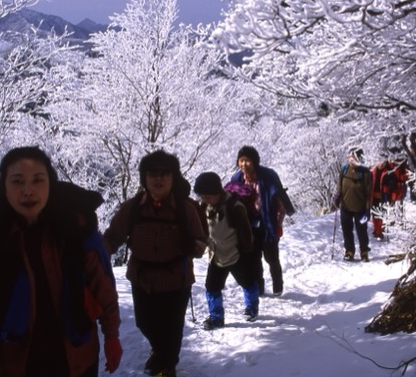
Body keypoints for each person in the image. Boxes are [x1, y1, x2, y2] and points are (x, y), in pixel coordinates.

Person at [0, 146, 123, 377]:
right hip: (21, 365)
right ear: (4, 187)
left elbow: (101, 284)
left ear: (50, 184)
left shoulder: (73, 228)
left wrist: (112, 335)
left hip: (78, 358)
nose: (28, 191)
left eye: (38, 180)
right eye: (17, 181)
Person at [102, 150, 207, 377]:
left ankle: (166, 366)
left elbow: (201, 241)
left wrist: (194, 246)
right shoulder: (132, 208)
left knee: (172, 328)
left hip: (175, 279)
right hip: (142, 278)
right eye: (152, 174)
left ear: (173, 177)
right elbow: (113, 236)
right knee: (145, 322)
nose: (158, 179)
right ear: (144, 178)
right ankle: (160, 352)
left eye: (164, 174)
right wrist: (96, 256)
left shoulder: (185, 209)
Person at [192, 172, 260, 329]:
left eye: (209, 196)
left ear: (217, 192)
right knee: (211, 287)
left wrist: (247, 252)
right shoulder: (204, 206)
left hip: (236, 255)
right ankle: (216, 317)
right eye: (203, 196)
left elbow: (246, 233)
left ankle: (252, 308)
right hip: (216, 255)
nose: (205, 200)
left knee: (247, 282)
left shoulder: (234, 207)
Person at [230, 145, 294, 296]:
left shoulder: (267, 177)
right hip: (248, 226)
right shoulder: (237, 179)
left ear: (255, 162)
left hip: (268, 224)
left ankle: (277, 285)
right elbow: (231, 201)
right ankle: (259, 287)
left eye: (247, 160)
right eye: (241, 160)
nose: (244, 164)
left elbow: (280, 203)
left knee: (271, 257)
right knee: (253, 258)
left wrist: (278, 223)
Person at [333, 147, 373, 262]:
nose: (350, 160)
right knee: (347, 230)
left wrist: (367, 208)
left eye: (352, 158)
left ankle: (364, 251)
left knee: (362, 231)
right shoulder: (344, 169)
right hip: (345, 206)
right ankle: (349, 251)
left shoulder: (365, 173)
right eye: (349, 157)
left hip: (360, 208)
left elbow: (368, 192)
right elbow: (340, 185)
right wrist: (337, 196)